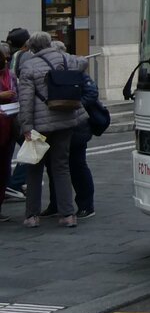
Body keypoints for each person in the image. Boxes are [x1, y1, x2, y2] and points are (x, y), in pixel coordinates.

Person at [17, 31, 88, 228]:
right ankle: (67, 215)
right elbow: (83, 62)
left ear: (32, 48)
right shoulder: (66, 58)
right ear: (49, 43)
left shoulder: (28, 66)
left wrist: (26, 127)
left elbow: (26, 100)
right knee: (61, 166)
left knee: (34, 168)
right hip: (66, 118)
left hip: (40, 125)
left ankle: (32, 216)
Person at [42, 41, 95, 220]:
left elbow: (91, 94)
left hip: (76, 125)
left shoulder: (76, 72)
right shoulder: (52, 73)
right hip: (59, 125)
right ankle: (56, 204)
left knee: (77, 165)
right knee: (54, 166)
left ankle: (86, 205)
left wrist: (74, 106)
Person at [4, 27, 31, 202]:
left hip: (11, 112)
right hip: (18, 112)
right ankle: (13, 184)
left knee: (9, 151)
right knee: (32, 149)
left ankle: (9, 184)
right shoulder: (22, 57)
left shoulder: (11, 58)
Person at [0, 42, 17, 222]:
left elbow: (17, 93)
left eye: (7, 59)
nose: (6, 62)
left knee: (4, 169)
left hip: (7, 128)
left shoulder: (10, 75)